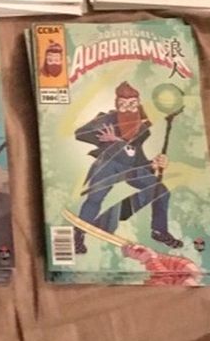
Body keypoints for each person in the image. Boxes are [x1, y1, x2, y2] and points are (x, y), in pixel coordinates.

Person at [73, 81, 178, 254]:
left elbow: (136, 155)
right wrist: (105, 139)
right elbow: (80, 134)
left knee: (161, 192)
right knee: (95, 198)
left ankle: (159, 230)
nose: (128, 108)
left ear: (138, 103)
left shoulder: (142, 128)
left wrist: (152, 164)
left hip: (130, 168)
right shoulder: (107, 119)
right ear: (117, 104)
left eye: (132, 104)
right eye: (123, 104)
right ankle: (78, 235)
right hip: (108, 164)